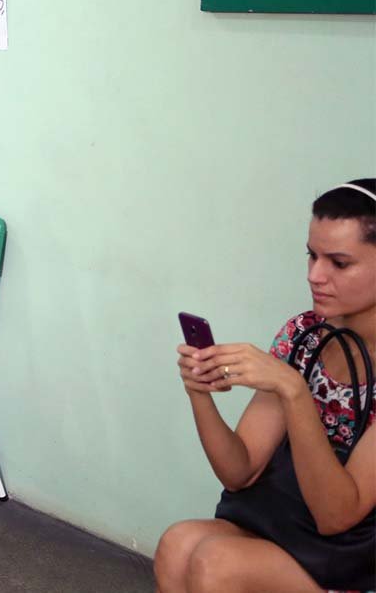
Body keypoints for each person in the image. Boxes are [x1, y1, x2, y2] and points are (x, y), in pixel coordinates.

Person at [153, 179, 376, 593]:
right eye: (311, 256)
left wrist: (293, 391)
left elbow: (335, 516)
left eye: (339, 263)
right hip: (290, 532)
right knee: (177, 544)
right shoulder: (304, 335)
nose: (315, 275)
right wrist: (198, 392)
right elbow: (240, 472)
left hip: (350, 565)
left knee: (216, 565)